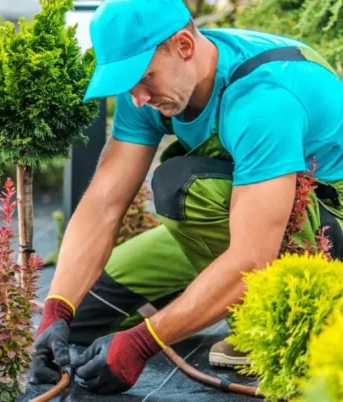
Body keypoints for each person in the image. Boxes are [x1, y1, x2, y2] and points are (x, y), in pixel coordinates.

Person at [29, 0, 343, 395]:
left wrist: (144, 342)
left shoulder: (262, 99)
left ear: (184, 46)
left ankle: (259, 327)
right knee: (83, 315)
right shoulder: (153, 88)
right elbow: (103, 204)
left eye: (144, 78)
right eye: (128, 83)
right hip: (245, 214)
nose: (138, 97)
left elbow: (252, 255)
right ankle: (198, 296)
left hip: (323, 226)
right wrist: (56, 310)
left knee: (183, 188)